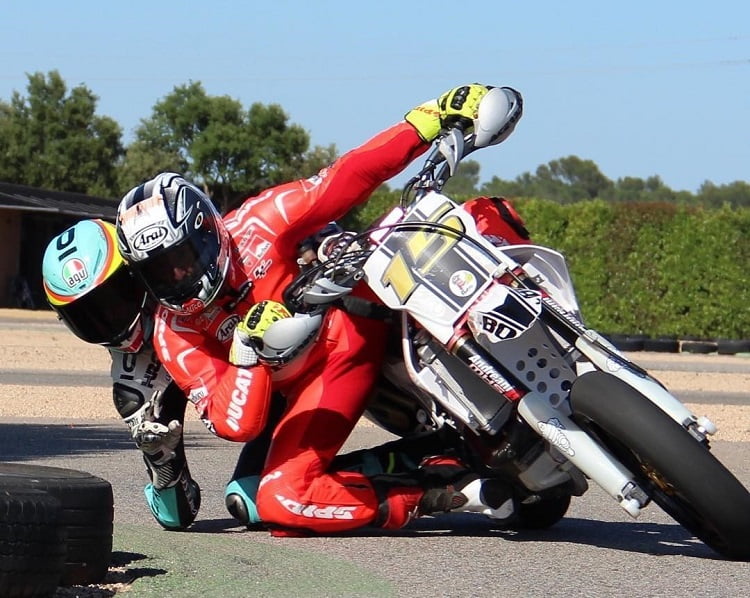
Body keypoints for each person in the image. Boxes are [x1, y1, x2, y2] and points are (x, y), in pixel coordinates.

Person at [115, 83, 525, 536]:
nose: (177, 279)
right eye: (158, 272)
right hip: (317, 388)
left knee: (444, 225)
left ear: (207, 232)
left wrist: (425, 121)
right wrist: (248, 350)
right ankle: (437, 487)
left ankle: (532, 313)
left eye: (182, 260)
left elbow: (346, 176)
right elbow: (237, 424)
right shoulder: (172, 332)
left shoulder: (258, 219)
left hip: (352, 320)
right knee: (276, 499)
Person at [41, 218, 202, 530]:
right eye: (91, 317)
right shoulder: (133, 388)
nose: (112, 322)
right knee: (247, 500)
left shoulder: (186, 276)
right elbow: (177, 516)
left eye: (115, 300)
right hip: (153, 377)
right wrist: (160, 460)